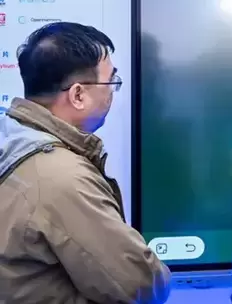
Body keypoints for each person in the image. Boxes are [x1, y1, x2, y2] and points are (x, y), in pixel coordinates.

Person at [0, 22, 171, 303]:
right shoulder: (61, 178)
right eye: (111, 82)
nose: (113, 92)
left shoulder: (11, 137)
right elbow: (141, 285)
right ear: (78, 95)